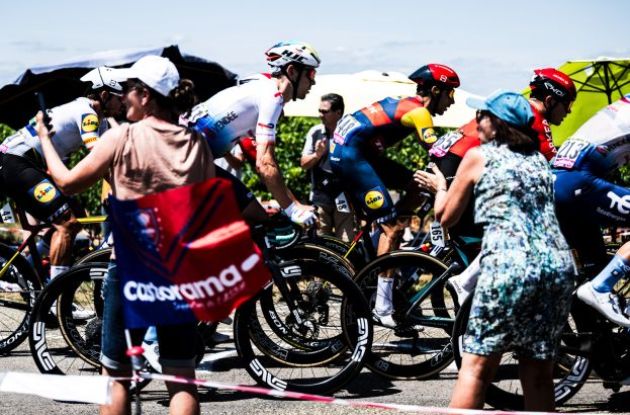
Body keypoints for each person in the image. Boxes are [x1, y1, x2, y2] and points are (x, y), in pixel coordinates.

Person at [36, 55, 209, 415]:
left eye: (129, 89)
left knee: (116, 379)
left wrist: (45, 140)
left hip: (132, 267)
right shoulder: (195, 141)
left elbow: (67, 184)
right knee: (181, 377)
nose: (123, 96)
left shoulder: (121, 137)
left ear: (145, 96)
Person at [416, 90, 575, 410]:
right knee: (539, 373)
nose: (476, 122)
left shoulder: (480, 156)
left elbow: (445, 218)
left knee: (475, 370)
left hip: (509, 267)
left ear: (495, 124)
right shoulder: (539, 163)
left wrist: (441, 187)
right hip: (556, 269)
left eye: (481, 116)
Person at [427, 68, 577, 304]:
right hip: (454, 170)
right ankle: (466, 284)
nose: (569, 111)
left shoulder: (513, 118)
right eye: (568, 104)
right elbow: (557, 169)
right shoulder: (533, 120)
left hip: (445, 161)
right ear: (550, 100)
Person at [329, 63, 460, 327]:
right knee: (392, 228)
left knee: (416, 184)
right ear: (435, 90)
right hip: (353, 157)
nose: (452, 102)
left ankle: (382, 248)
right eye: (450, 94)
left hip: (355, 153)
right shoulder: (420, 112)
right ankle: (382, 306)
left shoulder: (406, 104)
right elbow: (438, 154)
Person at [0, 67, 125, 281]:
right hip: (15, 161)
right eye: (119, 98)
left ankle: (26, 272)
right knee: (66, 222)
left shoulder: (101, 121)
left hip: (27, 164)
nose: (123, 104)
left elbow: (107, 167)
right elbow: (96, 156)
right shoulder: (88, 112)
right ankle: (55, 295)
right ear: (104, 95)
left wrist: (123, 189)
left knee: (77, 215)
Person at [188, 41, 321, 227]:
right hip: (188, 162)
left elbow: (261, 163)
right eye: (311, 73)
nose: (314, 81)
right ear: (291, 71)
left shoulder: (262, 86)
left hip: (195, 159)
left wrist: (294, 204)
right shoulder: (272, 97)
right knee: (249, 219)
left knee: (254, 215)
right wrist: (292, 209)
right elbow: (265, 164)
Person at [552, 94, 630, 326]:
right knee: (597, 280)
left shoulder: (621, 107)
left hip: (560, 183)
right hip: (576, 183)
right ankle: (601, 287)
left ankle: (594, 351)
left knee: (593, 264)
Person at [301, 93, 355, 241]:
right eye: (319, 110)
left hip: (344, 196)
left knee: (345, 241)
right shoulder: (316, 132)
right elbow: (304, 164)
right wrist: (317, 155)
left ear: (338, 113)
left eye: (324, 111)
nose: (320, 115)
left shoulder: (351, 133)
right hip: (321, 197)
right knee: (320, 241)